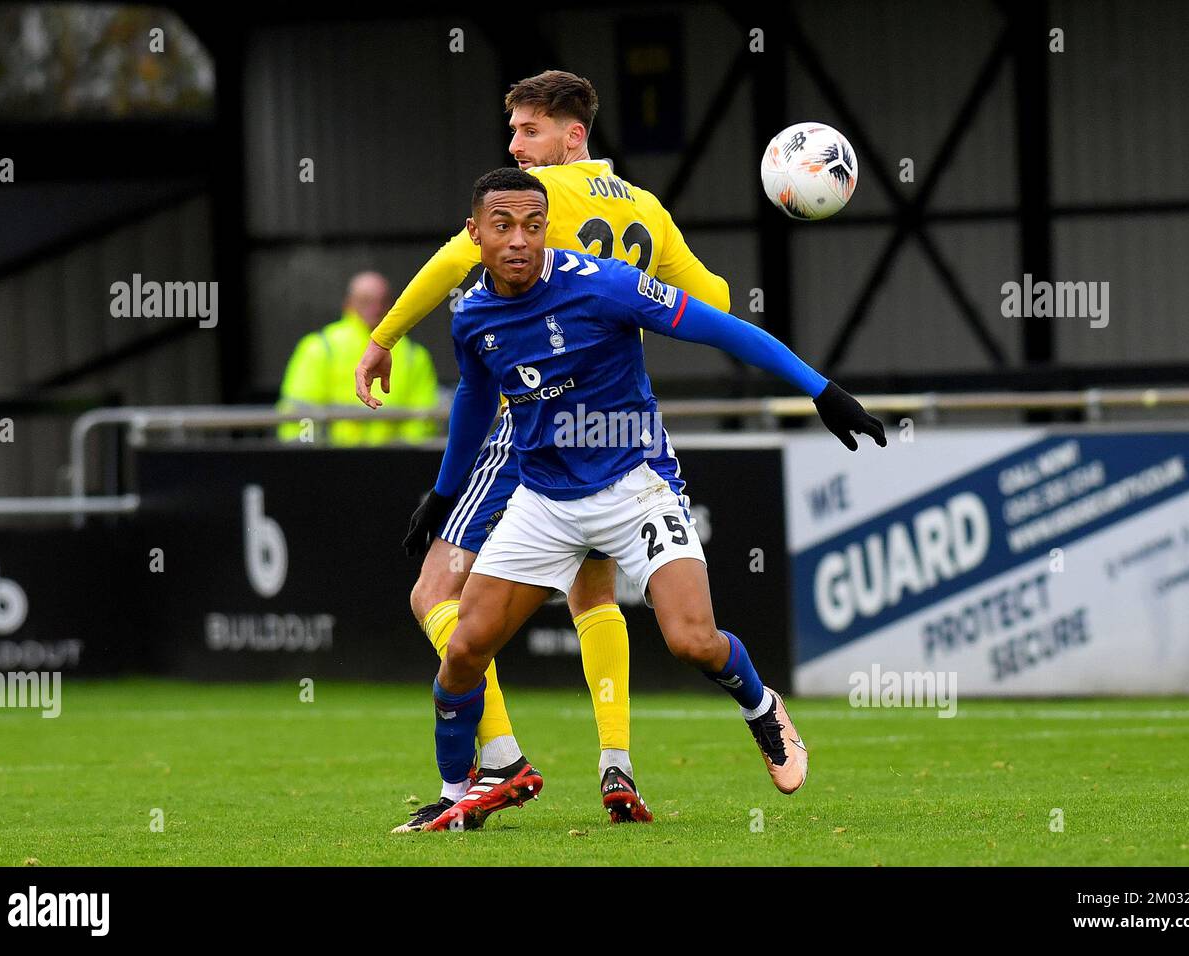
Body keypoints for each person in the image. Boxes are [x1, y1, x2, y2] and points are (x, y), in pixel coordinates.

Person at [408, 168, 886, 832]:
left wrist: (820, 389)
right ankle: (461, 795)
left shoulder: (605, 286)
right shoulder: (473, 315)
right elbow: (475, 398)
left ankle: (760, 706)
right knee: (464, 651)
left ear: (547, 229)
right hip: (543, 500)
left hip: (636, 488)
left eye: (533, 226)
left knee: (692, 642)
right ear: (474, 233)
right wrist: (445, 492)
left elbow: (721, 328)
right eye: (503, 226)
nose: (519, 240)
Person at [365, 71, 732, 830]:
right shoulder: (643, 206)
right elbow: (717, 302)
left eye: (528, 131)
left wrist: (385, 336)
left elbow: (449, 264)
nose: (515, 146)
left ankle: (495, 761)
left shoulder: (537, 198)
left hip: (526, 421)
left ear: (572, 139)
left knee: (434, 591)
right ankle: (616, 766)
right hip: (612, 424)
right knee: (592, 597)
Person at [279, 271, 438, 446]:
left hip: (393, 462)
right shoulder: (319, 348)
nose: (376, 308)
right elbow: (300, 412)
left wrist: (404, 456)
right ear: (349, 303)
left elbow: (423, 419)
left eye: (382, 301)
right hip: (331, 460)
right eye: (366, 301)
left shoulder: (414, 355)